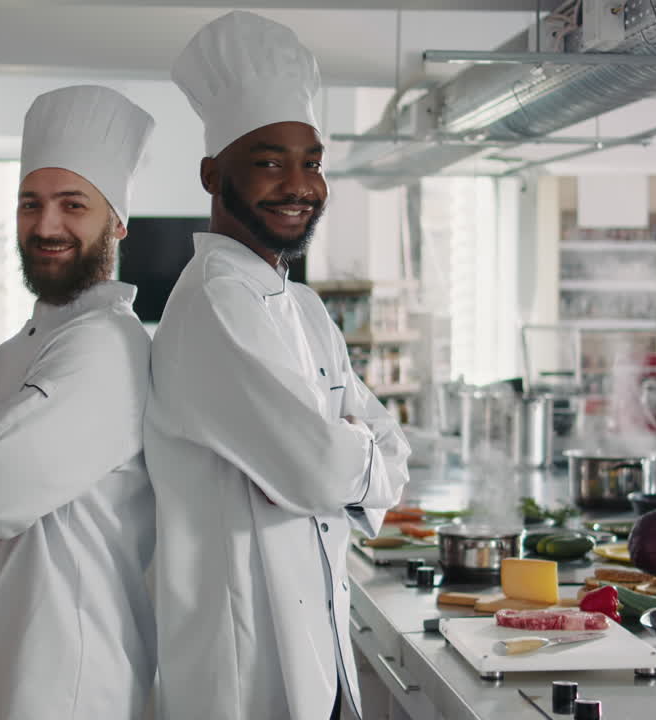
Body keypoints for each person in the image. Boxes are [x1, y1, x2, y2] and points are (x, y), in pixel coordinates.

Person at [145, 11, 412, 720]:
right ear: (212, 174)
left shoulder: (304, 308)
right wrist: (349, 453)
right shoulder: (212, 305)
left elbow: (388, 454)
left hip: (315, 645)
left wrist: (336, 457)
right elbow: (321, 471)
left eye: (313, 162)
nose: (300, 183)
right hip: (244, 661)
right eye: (269, 161)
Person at [0, 84, 156, 720]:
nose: (46, 225)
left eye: (73, 205)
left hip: (64, 677)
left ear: (116, 222)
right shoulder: (21, 347)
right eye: (30, 204)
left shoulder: (105, 348)